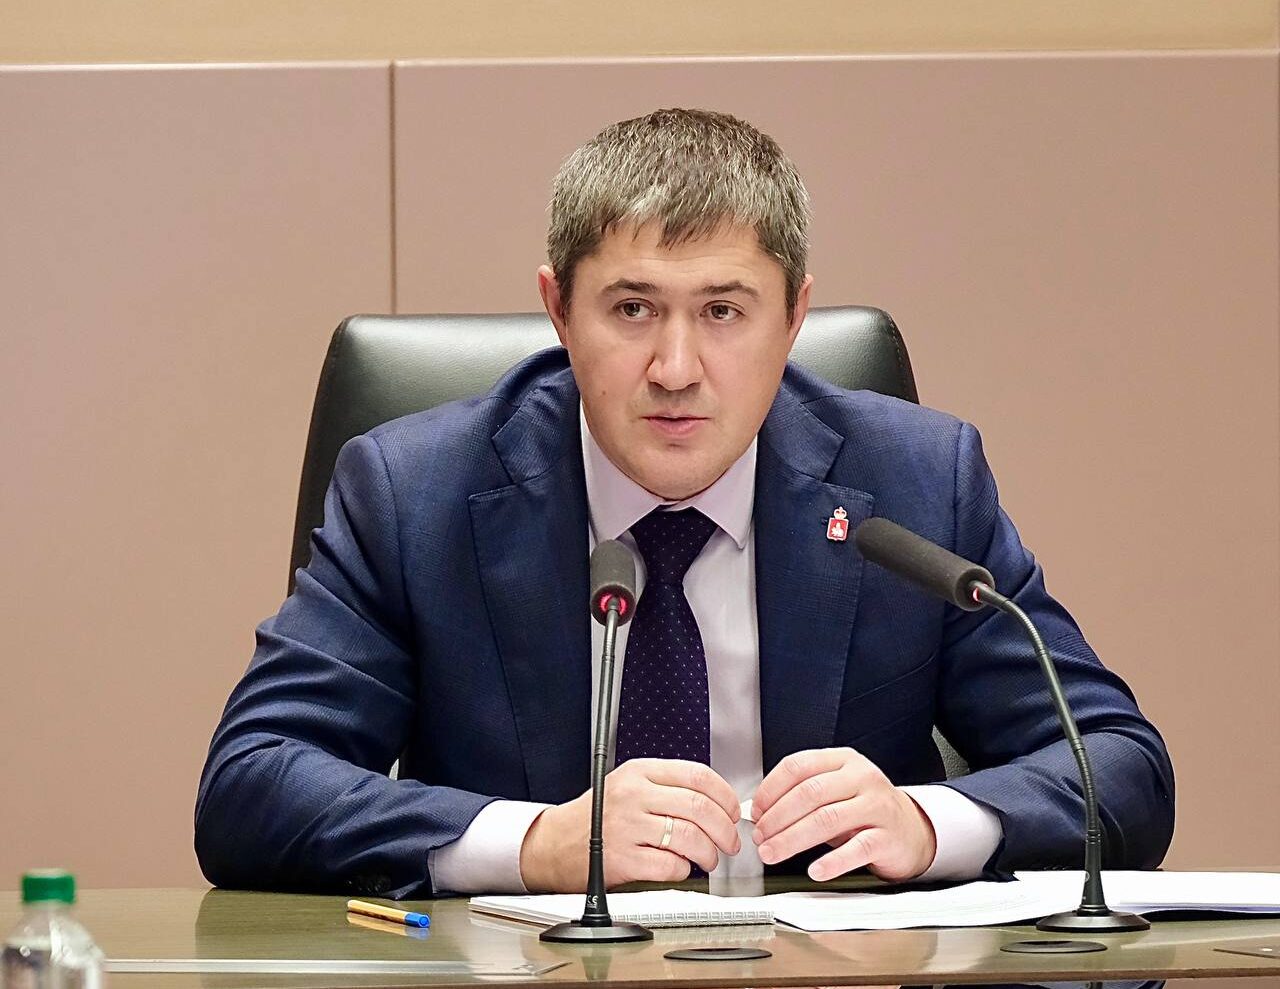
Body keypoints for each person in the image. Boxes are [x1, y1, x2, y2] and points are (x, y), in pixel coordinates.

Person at [195, 108, 1173, 899]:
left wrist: (925, 822)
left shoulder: (917, 481)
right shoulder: (416, 494)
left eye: (722, 311)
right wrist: (534, 842)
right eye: (632, 309)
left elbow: (1118, 763)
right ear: (557, 309)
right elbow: (252, 780)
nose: (675, 367)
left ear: (793, 316)